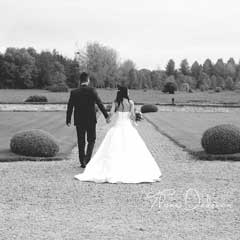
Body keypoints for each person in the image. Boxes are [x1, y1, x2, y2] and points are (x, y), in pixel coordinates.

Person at [74, 86, 162, 183]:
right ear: (125, 92)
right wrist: (137, 117)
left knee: (113, 148)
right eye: (128, 91)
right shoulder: (131, 103)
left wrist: (108, 119)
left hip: (118, 127)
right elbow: (132, 116)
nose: (129, 93)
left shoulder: (115, 103)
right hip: (128, 128)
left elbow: (111, 114)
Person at [66, 72, 110, 168]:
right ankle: (87, 159)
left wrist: (68, 119)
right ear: (88, 80)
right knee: (91, 140)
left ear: (80, 81)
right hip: (90, 120)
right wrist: (106, 116)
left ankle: (82, 161)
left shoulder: (74, 92)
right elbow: (100, 103)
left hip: (79, 120)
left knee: (81, 141)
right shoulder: (92, 91)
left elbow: (70, 107)